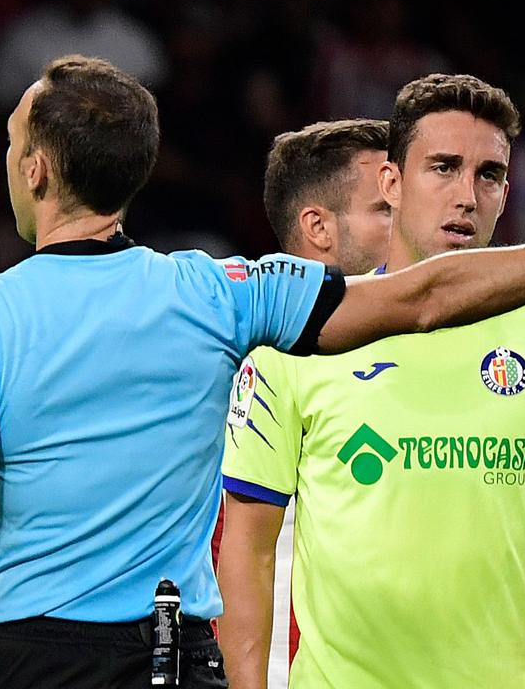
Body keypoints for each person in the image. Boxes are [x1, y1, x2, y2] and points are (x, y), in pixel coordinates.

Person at [0, 56, 525, 689]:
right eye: (442, 168)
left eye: (12, 147)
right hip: (171, 658)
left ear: (36, 170)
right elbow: (422, 299)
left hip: (28, 658)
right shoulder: (223, 296)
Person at [218, 73, 525, 689]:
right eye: (443, 167)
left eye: (488, 174)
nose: (467, 195)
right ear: (392, 183)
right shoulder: (304, 336)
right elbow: (247, 551)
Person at [225, 117, 391, 689]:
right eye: (385, 209)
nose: (411, 224)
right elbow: (241, 548)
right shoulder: (265, 354)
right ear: (318, 226)